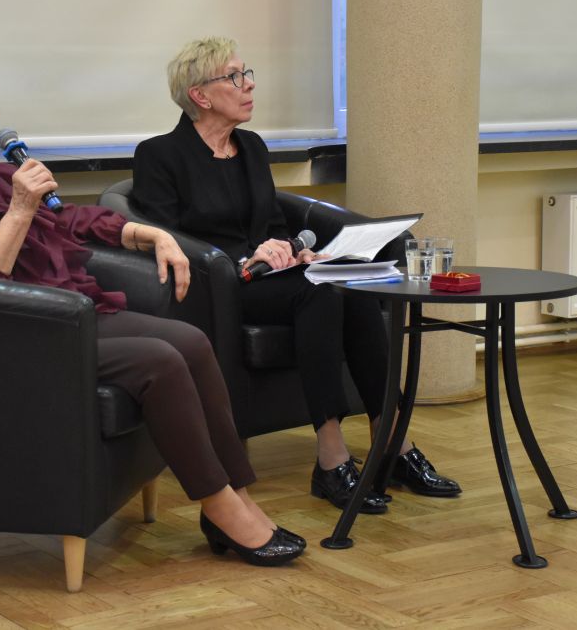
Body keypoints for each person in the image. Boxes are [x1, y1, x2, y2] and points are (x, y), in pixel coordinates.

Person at [0, 45, 304, 567]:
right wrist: (19, 209)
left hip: (63, 317)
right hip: (1, 342)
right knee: (160, 361)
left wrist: (147, 233)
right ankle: (219, 507)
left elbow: (69, 220)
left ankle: (237, 495)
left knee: (192, 341)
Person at [131, 37, 461, 515]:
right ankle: (331, 455)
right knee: (319, 294)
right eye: (234, 77)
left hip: (273, 277)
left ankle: (391, 438)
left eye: (247, 73)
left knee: (350, 284)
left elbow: (271, 222)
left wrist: (292, 249)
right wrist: (242, 258)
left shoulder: (250, 147)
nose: (249, 85)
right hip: (218, 288)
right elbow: (169, 237)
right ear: (199, 95)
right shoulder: (160, 155)